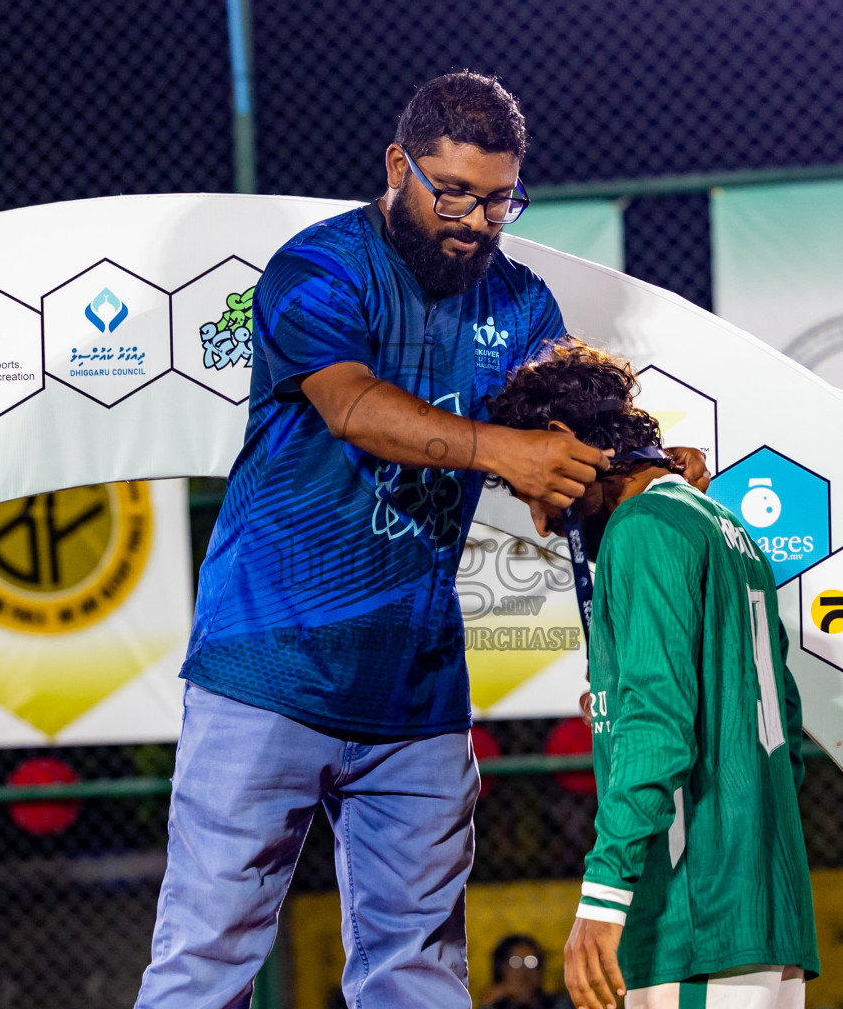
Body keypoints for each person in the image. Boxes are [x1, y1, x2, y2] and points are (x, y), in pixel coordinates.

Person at [135, 72, 706, 1008]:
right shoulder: (318, 268)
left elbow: (558, 446)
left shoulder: (521, 306)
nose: (478, 221)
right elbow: (354, 406)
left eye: (500, 199)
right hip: (266, 668)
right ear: (399, 166)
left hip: (419, 693)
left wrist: (637, 469)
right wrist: (507, 453)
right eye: (454, 193)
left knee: (419, 975)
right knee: (204, 961)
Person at [486, 340, 819, 1009]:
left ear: (559, 440)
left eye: (530, 485)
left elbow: (657, 731)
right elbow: (785, 714)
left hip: (691, 919)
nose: (542, 520)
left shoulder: (641, 530)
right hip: (763, 907)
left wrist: (604, 901)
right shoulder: (726, 525)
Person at [477, 934, 573, 1009]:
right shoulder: (493, 1004)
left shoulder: (558, 1004)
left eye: (531, 962)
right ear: (502, 968)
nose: (524, 971)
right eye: (515, 962)